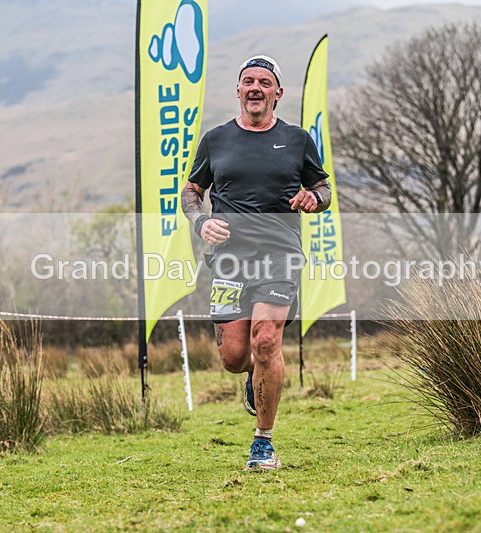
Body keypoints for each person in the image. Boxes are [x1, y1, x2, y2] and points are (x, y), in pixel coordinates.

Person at [181, 55, 332, 469]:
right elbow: (191, 190)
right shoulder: (216, 139)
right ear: (238, 90)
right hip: (229, 260)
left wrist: (312, 199)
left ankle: (263, 442)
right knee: (234, 356)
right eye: (248, 81)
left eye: (265, 82)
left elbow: (323, 189)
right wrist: (201, 222)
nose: (255, 88)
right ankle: (254, 374)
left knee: (266, 341)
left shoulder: (298, 139)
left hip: (280, 255)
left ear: (277, 93)